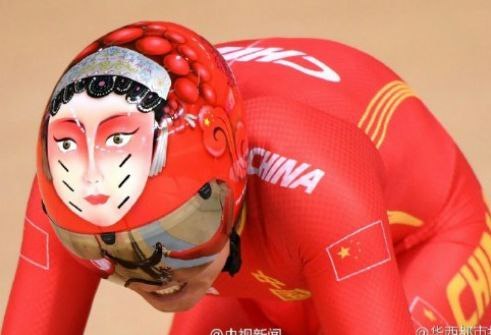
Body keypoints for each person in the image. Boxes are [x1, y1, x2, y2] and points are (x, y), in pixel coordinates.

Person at [2, 21, 490, 335]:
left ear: (234, 169)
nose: (154, 274)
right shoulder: (76, 185)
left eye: (175, 229)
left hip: (421, 248)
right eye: (102, 247)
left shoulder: (314, 178)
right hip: (267, 272)